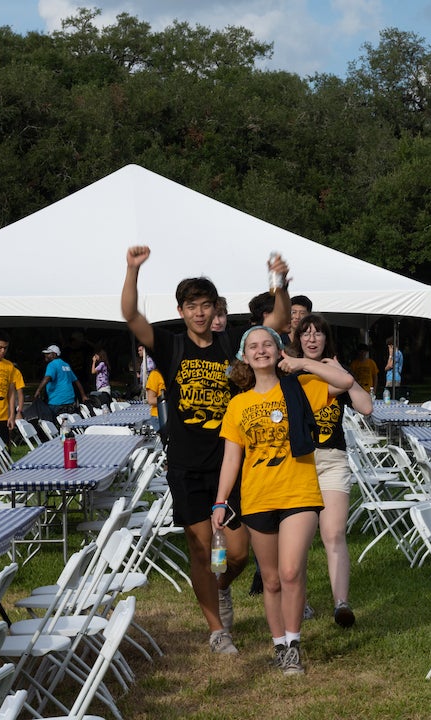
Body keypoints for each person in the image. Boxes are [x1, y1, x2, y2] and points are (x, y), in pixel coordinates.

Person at [121, 244, 291, 656]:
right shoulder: (170, 345)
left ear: (215, 309)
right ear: (181, 311)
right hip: (186, 464)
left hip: (231, 464)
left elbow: (279, 323)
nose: (199, 313)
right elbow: (130, 314)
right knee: (201, 549)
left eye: (206, 305)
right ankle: (218, 631)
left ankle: (221, 588)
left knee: (236, 553)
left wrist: (280, 284)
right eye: (191, 306)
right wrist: (132, 271)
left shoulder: (230, 343)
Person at [212, 325, 354, 674]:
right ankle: (278, 644)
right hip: (257, 498)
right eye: (253, 347)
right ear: (244, 358)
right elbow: (232, 457)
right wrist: (220, 501)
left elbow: (346, 382)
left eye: (268, 345)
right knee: (271, 579)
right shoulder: (238, 404)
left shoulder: (301, 387)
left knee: (291, 572)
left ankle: (293, 644)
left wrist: (303, 363)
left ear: (279, 351)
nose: (261, 351)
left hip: (300, 492)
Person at [291, 314, 373, 629]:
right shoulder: (289, 371)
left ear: (327, 339)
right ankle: (301, 602)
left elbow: (366, 407)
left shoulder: (335, 374)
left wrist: (342, 372)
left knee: (334, 533)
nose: (312, 338)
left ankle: (341, 603)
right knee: (298, 539)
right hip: (299, 463)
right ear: (298, 339)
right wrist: (300, 366)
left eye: (318, 333)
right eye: (306, 333)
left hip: (332, 459)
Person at [34, 344, 88, 416]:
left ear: (54, 354)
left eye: (48, 353)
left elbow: (47, 378)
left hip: (57, 402)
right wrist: (83, 395)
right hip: (70, 401)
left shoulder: (52, 364)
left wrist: (38, 390)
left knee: (53, 423)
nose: (46, 355)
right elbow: (76, 381)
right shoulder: (66, 365)